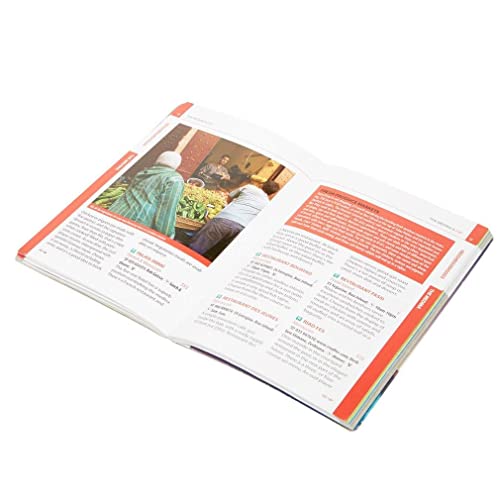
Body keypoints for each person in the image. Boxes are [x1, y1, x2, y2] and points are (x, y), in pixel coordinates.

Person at [189, 178, 280, 260]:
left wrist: (229, 206)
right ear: (271, 194)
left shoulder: (250, 188)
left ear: (262, 185)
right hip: (240, 229)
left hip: (224, 220)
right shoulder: (267, 204)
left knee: (197, 247)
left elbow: (230, 196)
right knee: (213, 254)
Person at [108, 151, 184, 238]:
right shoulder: (174, 179)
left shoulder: (143, 172)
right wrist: (167, 235)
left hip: (114, 212)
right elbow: (167, 211)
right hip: (135, 224)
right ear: (176, 165)